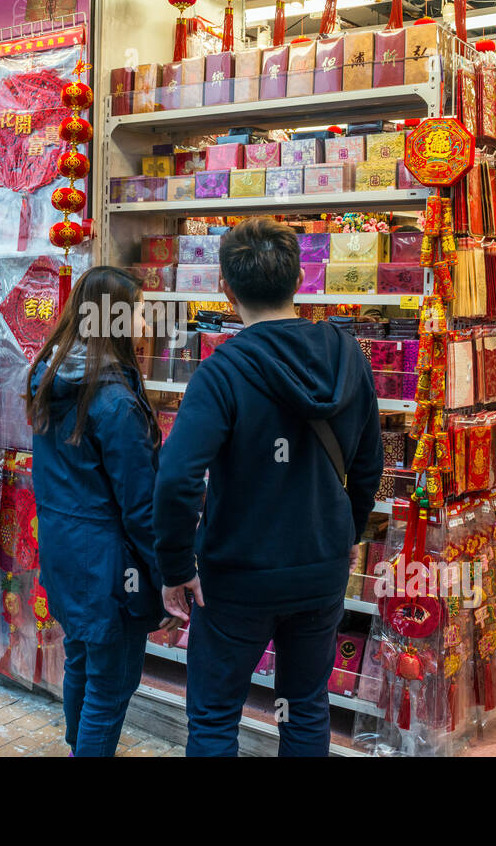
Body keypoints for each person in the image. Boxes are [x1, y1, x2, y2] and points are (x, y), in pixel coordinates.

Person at [153, 218, 383, 757]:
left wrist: (176, 568)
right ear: (300, 278)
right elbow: (369, 463)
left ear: (225, 288)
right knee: (305, 708)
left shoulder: (222, 371)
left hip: (238, 575)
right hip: (320, 567)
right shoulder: (350, 357)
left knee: (213, 716)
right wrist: (345, 528)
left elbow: (177, 477)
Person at [26, 266, 167, 756]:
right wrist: (164, 576)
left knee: (82, 665)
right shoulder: (115, 403)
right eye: (143, 310)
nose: (149, 321)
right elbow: (140, 510)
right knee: (109, 690)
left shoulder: (52, 379)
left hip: (67, 555)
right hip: (111, 570)